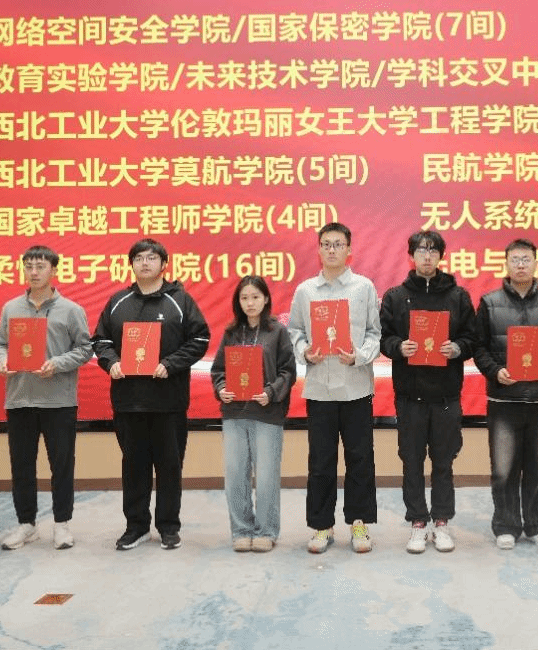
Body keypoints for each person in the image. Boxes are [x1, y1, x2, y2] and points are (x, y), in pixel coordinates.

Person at [92, 239, 210, 551]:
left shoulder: (180, 300)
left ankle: (169, 527)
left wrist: (170, 364)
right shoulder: (118, 301)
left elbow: (200, 339)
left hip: (168, 401)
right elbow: (100, 340)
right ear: (131, 264)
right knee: (134, 466)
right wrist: (111, 362)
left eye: (151, 258)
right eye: (139, 258)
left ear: (163, 264)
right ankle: (136, 527)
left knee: (170, 466)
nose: (145, 263)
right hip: (128, 401)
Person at [380, 230, 476, 553]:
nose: (427, 256)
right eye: (421, 250)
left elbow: (472, 338)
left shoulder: (458, 296)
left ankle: (442, 522)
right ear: (411, 256)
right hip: (410, 396)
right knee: (411, 461)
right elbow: (383, 338)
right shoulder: (396, 296)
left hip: (446, 395)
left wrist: (457, 348)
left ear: (441, 256)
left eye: (433, 250)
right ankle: (418, 522)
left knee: (444, 461)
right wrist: (399, 346)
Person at [288, 222, 381, 553]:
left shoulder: (363, 287)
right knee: (321, 461)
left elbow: (374, 333)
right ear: (318, 249)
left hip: (356, 387)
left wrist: (359, 356)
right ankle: (321, 526)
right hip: (320, 390)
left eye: (338, 244)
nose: (331, 249)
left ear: (349, 250)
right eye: (326, 244)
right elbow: (295, 331)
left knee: (360, 459)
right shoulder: (305, 291)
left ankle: (359, 523)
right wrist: (305, 353)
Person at [473, 238, 538, 550]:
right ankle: (506, 526)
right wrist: (495, 371)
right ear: (507, 264)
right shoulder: (489, 302)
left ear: (536, 263)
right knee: (504, 469)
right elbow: (479, 347)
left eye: (526, 259)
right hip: (503, 399)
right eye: (515, 259)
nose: (521, 265)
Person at [0, 245, 92, 552]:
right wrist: (2, 361)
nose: (34, 272)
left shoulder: (71, 310)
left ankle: (62, 524)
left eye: (40, 266)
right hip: (20, 399)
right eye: (29, 267)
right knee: (21, 465)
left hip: (58, 401)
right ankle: (27, 524)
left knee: (61, 465)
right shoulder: (11, 308)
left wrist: (58, 363)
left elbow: (85, 349)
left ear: (54, 270)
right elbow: (1, 344)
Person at [211, 276, 296, 553]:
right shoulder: (231, 332)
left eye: (255, 297)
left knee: (267, 476)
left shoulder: (277, 332)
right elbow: (218, 370)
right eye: (244, 298)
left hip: (267, 412)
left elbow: (288, 371)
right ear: (238, 301)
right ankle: (241, 530)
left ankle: (266, 531)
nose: (250, 303)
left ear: (266, 299)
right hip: (235, 412)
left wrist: (271, 392)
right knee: (235, 474)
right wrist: (221, 388)